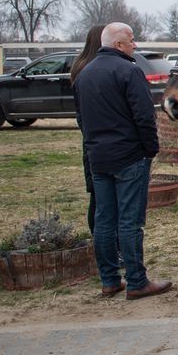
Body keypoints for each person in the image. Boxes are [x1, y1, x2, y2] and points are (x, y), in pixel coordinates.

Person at [74, 22, 172, 300]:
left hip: (98, 158)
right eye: (131, 40)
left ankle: (109, 280)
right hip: (129, 157)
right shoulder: (129, 71)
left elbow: (81, 119)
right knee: (129, 222)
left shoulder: (84, 74)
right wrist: (151, 149)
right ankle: (137, 281)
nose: (135, 45)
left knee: (104, 221)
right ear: (118, 45)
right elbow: (144, 116)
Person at [71, 25, 105, 235]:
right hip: (101, 142)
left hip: (91, 142)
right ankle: (103, 242)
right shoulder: (93, 71)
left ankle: (99, 240)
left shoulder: (80, 67)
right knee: (102, 200)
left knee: (97, 197)